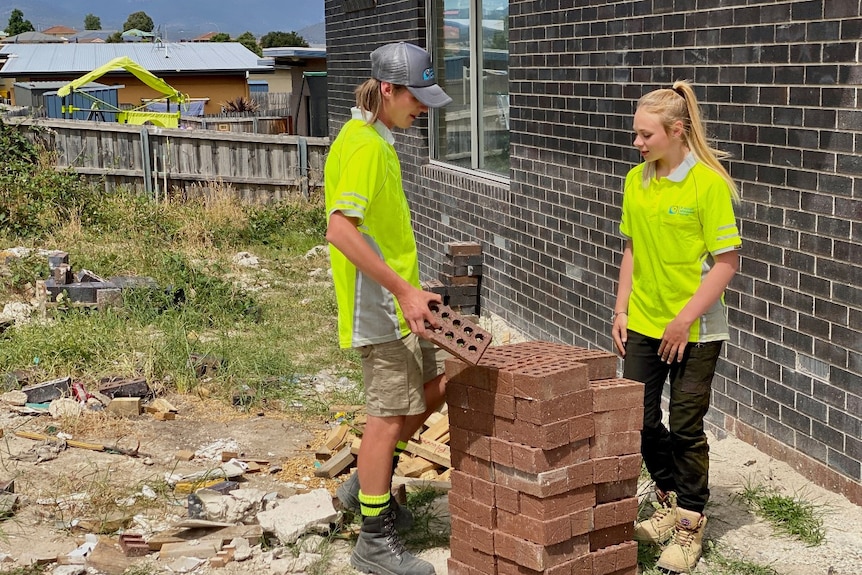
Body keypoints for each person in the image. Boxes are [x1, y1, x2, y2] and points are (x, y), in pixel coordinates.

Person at [324, 42, 452, 575]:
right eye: (415, 98)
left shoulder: (378, 138)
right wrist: (402, 291)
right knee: (385, 419)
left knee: (441, 383)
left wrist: (415, 290)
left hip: (403, 303)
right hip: (379, 309)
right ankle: (373, 543)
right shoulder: (363, 147)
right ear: (386, 90)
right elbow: (339, 231)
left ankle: (362, 484)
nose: (421, 108)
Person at [611, 80, 741, 573]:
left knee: (686, 426)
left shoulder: (707, 184)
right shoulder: (634, 179)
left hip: (696, 328)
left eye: (646, 136)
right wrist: (621, 309)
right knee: (639, 421)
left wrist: (685, 319)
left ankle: (690, 520)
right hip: (643, 321)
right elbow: (631, 249)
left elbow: (727, 263)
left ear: (676, 131)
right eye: (636, 135)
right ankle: (670, 499)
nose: (637, 144)